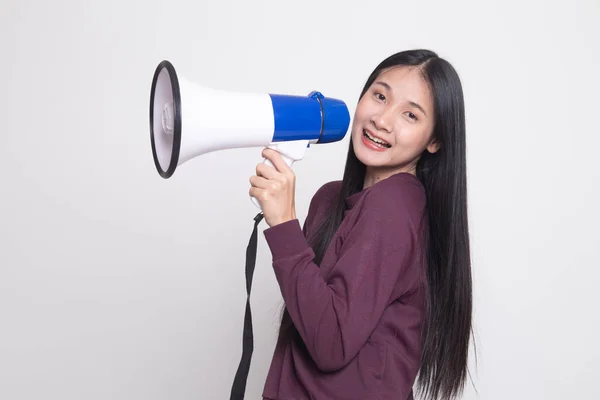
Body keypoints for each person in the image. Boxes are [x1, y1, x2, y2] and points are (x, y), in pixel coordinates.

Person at [249, 49, 473, 400]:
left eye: (410, 115)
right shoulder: (330, 200)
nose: (383, 120)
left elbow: (331, 343)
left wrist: (284, 225)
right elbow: (312, 318)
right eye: (380, 96)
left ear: (435, 141)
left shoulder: (394, 206)